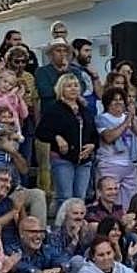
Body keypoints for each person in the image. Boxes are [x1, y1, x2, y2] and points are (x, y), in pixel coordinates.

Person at [36, 73, 96, 212]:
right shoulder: (54, 109)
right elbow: (41, 132)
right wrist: (56, 137)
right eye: (69, 86)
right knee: (65, 197)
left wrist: (93, 145)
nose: (73, 88)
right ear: (61, 89)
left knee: (80, 198)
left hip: (84, 160)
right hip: (63, 159)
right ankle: (61, 229)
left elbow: (94, 134)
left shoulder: (84, 110)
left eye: (75, 85)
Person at [95, 87, 137, 210]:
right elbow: (109, 137)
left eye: (121, 99)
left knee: (130, 202)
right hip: (109, 164)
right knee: (109, 199)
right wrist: (126, 122)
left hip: (130, 165)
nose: (118, 102)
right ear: (107, 103)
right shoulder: (102, 118)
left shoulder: (130, 117)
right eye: (114, 100)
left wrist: (132, 119)